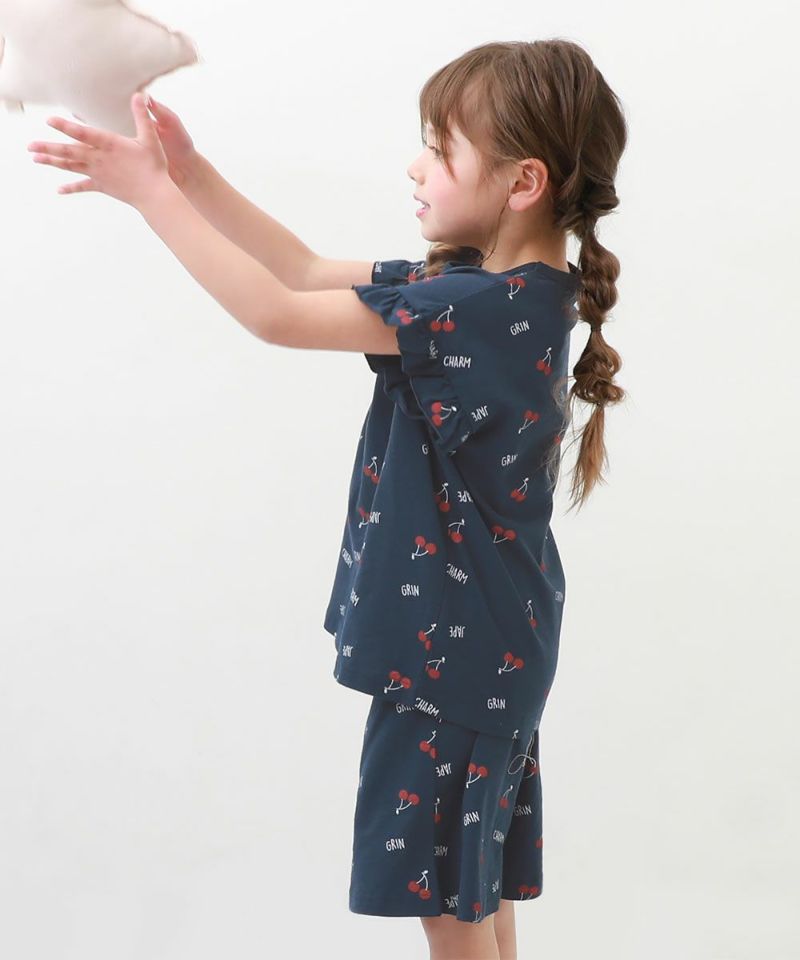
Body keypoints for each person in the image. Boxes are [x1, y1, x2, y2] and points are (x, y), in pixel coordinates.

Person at [27, 36, 627, 960]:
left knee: (452, 913)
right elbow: (303, 269)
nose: (415, 166)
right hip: (488, 646)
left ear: (524, 182)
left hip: (454, 662)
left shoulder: (472, 308)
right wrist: (189, 174)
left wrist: (150, 196)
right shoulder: (500, 293)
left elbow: (276, 314)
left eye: (439, 149)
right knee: (473, 899)